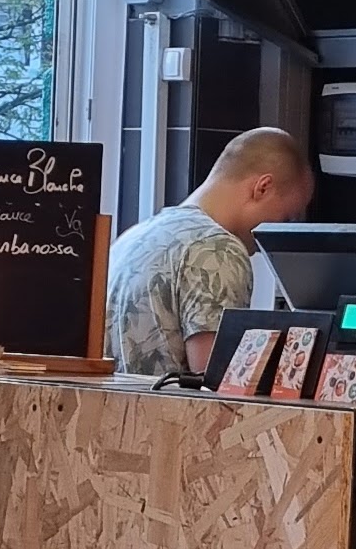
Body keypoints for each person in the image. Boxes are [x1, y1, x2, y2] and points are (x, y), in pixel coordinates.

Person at [104, 126, 317, 376]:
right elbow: (213, 380)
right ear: (262, 187)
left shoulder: (133, 238)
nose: (279, 230)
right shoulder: (218, 250)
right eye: (286, 217)